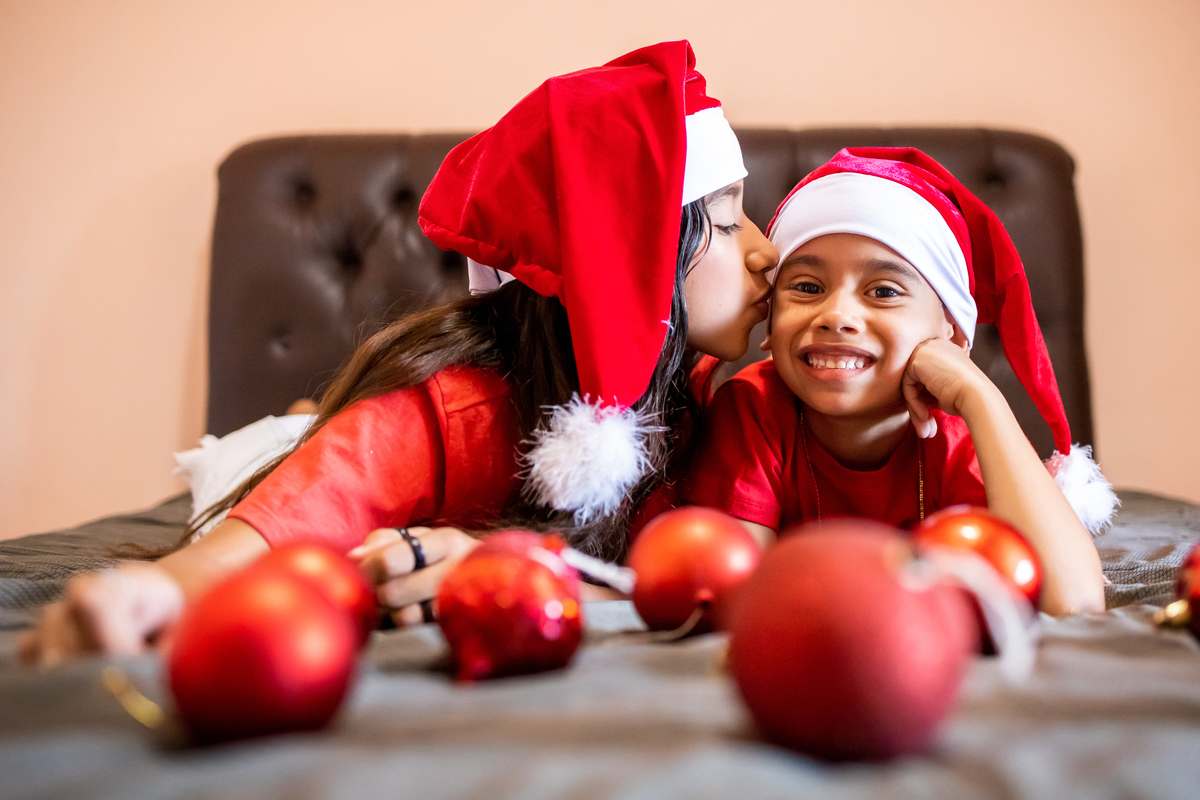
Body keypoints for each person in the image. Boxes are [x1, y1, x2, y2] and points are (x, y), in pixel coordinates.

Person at [20, 40, 778, 664]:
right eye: (724, 220)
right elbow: (264, 536)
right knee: (276, 449)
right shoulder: (449, 410)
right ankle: (301, 419)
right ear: (625, 259)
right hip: (325, 448)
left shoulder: (703, 393)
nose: (765, 253)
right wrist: (149, 596)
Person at [683, 147, 1115, 617]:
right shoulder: (751, 409)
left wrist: (980, 396)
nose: (837, 316)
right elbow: (732, 592)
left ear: (950, 331)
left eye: (883, 292)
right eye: (807, 287)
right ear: (770, 325)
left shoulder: (962, 434)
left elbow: (1073, 600)